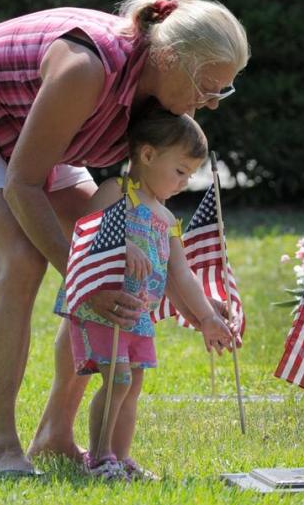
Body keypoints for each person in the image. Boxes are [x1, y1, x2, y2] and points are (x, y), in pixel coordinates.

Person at [0, 0, 249, 476]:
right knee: (23, 260)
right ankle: (3, 446)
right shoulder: (87, 68)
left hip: (37, 138)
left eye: (223, 90)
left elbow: (141, 217)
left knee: (107, 272)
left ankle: (55, 436)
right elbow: (22, 184)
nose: (211, 104)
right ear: (170, 58)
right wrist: (84, 274)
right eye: (208, 88)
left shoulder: (165, 99)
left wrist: (200, 303)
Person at [55, 108, 232, 480]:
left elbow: (180, 275)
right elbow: (83, 241)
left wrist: (207, 317)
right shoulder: (114, 193)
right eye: (180, 171)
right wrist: (119, 249)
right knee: (117, 378)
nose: (185, 182)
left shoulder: (167, 219)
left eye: (191, 175)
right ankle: (100, 457)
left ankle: (121, 457)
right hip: (104, 308)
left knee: (132, 384)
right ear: (148, 155)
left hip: (137, 316)